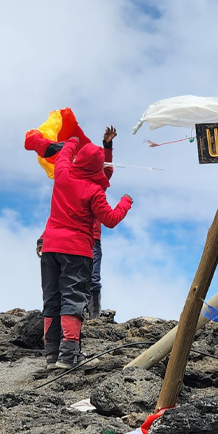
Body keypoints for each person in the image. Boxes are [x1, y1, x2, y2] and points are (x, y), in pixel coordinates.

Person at [25, 130, 132, 369]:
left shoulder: (62, 173)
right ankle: (68, 356)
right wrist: (126, 202)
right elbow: (111, 219)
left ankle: (51, 357)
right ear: (96, 167)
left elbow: (66, 153)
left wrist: (72, 141)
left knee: (51, 300)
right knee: (73, 300)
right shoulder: (94, 191)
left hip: (51, 248)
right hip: (78, 251)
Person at [86, 126, 118, 319]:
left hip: (93, 239)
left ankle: (94, 317)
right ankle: (78, 313)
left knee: (93, 278)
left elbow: (107, 168)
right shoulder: (71, 185)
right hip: (77, 238)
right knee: (76, 278)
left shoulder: (98, 184)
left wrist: (107, 145)